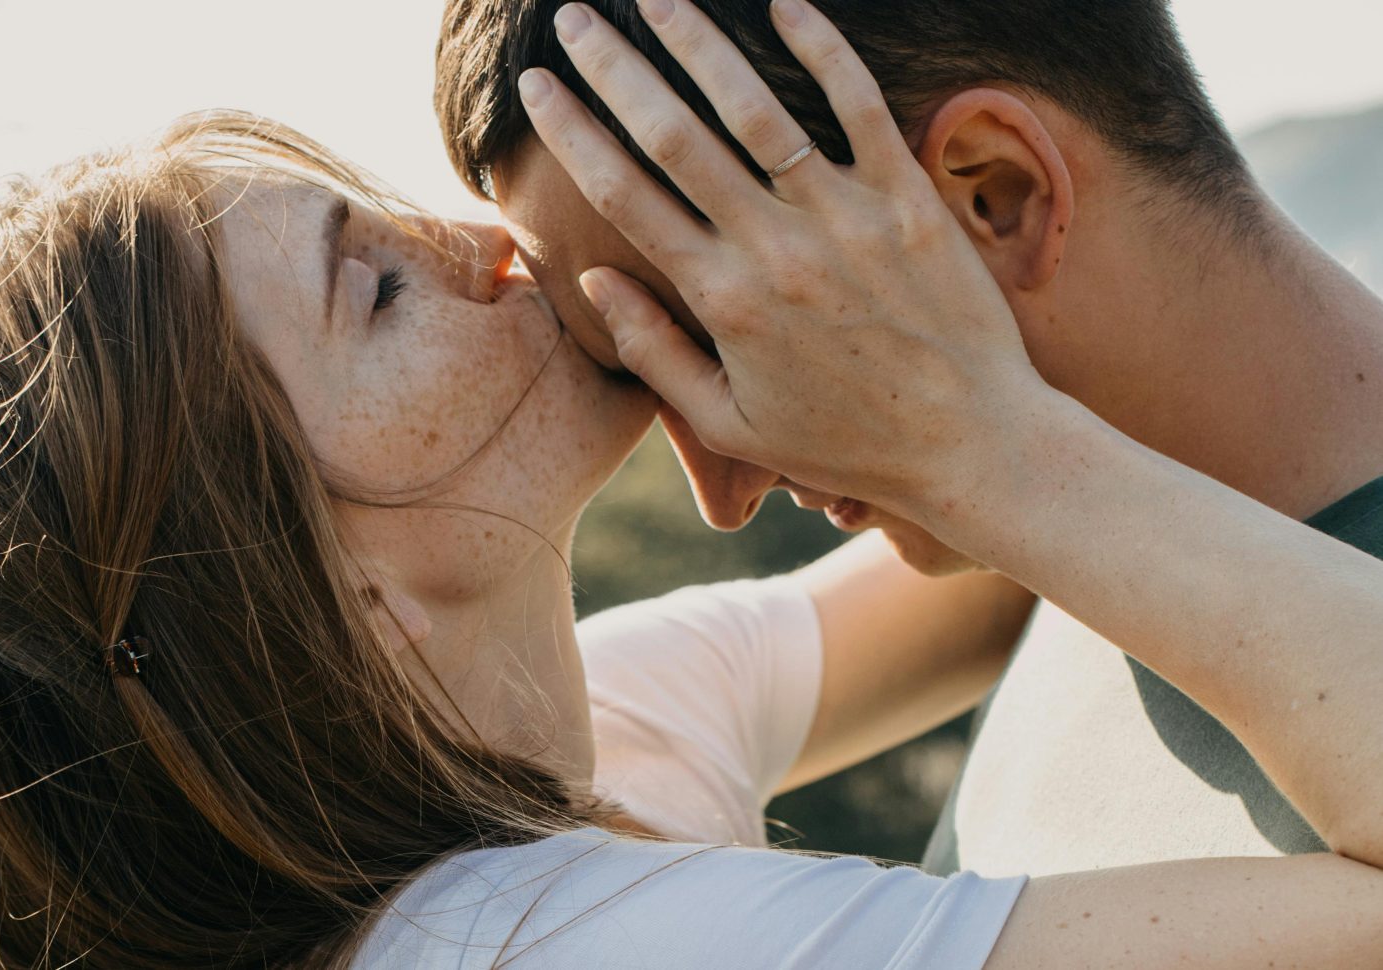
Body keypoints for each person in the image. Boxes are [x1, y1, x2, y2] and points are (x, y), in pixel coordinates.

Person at [0, 78, 1383, 970]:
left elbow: (986, 584)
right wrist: (978, 437)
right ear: (309, 592)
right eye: (379, 286)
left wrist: (908, 393)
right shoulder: (544, 953)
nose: (484, 247)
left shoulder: (566, 754)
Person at [435, 0, 1383, 876]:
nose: (721, 499)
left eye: (725, 336)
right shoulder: (1043, 554)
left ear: (997, 195)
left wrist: (987, 459)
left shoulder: (1027, 493)